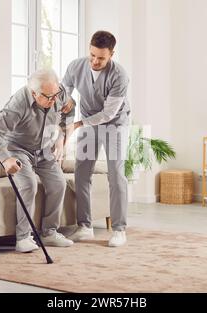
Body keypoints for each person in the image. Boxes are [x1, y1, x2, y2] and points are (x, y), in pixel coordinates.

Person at [0, 69, 74, 253]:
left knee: (59, 183)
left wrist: (61, 138)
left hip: (44, 149)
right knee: (28, 184)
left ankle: (49, 233)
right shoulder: (18, 103)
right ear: (34, 93)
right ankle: (23, 238)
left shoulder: (59, 93)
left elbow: (70, 108)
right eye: (48, 97)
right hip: (19, 149)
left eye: (55, 95)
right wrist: (6, 159)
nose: (53, 100)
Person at [62, 30, 130, 247]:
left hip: (114, 125)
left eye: (101, 57)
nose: (95, 61)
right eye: (92, 55)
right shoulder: (76, 66)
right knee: (82, 173)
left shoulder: (119, 75)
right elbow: (63, 92)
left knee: (116, 175)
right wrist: (66, 106)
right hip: (89, 124)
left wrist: (78, 123)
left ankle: (119, 230)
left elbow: (109, 114)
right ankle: (85, 226)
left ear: (111, 54)